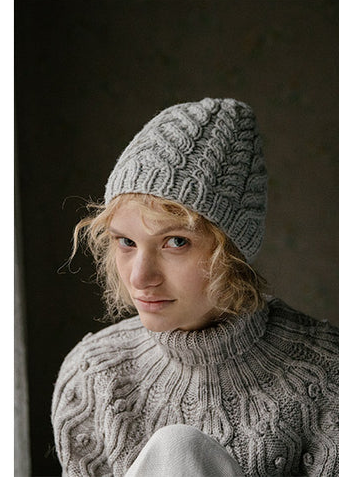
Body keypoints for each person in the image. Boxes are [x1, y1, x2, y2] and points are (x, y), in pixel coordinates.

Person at [51, 98, 339, 476]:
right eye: (126, 242)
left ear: (233, 250)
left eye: (176, 242)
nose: (140, 277)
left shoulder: (326, 374)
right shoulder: (94, 376)